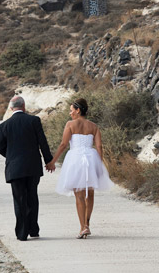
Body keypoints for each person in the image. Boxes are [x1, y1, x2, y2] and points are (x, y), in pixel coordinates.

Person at [47, 98, 113, 239]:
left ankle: (83, 227)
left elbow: (63, 145)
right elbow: (99, 146)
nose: (70, 114)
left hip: (76, 159)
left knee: (79, 195)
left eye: (71, 111)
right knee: (90, 193)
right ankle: (87, 224)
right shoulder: (94, 126)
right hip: (91, 158)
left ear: (78, 110)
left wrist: (53, 161)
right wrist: (99, 164)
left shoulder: (70, 124)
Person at [0, 95, 55, 241]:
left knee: (19, 199)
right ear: (24, 106)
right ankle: (33, 229)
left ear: (11, 108)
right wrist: (49, 161)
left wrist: (11, 157)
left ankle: (22, 233)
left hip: (14, 168)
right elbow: (43, 142)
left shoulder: (4, 126)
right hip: (32, 166)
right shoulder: (34, 120)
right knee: (32, 196)